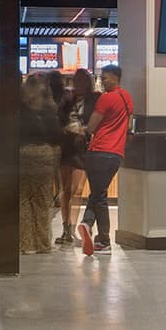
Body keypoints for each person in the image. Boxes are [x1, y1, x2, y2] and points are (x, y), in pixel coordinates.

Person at [77, 65, 134, 257]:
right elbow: (127, 126)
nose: (103, 81)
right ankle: (87, 223)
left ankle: (103, 239)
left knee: (99, 196)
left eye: (106, 78)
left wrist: (79, 129)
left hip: (99, 151)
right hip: (116, 154)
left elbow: (92, 127)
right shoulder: (127, 98)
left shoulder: (106, 98)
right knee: (98, 193)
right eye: (102, 78)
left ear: (116, 78)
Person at [18, 76, 62, 254]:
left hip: (23, 155)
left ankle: (26, 244)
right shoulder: (49, 111)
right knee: (42, 201)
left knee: (23, 201)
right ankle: (43, 243)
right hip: (44, 156)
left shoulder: (19, 110)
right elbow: (56, 138)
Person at [56, 68, 96, 244]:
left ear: (88, 82)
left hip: (83, 148)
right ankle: (66, 228)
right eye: (77, 80)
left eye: (83, 80)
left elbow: (98, 121)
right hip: (66, 147)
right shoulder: (67, 100)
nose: (79, 83)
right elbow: (58, 120)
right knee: (66, 189)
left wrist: (85, 130)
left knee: (77, 189)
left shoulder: (95, 100)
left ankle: (72, 227)